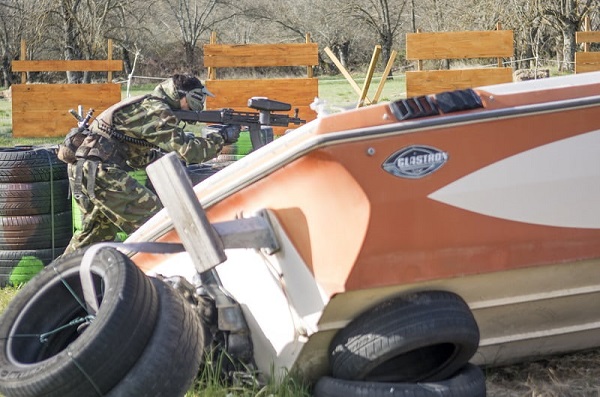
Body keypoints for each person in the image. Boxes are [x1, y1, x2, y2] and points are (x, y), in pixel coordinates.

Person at [59, 74, 240, 255]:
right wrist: (221, 138)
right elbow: (190, 151)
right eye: (197, 98)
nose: (199, 105)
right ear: (180, 95)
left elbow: (135, 157)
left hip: (87, 170)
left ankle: (54, 280)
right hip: (98, 171)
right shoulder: (156, 110)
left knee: (93, 237)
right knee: (158, 224)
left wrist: (166, 155)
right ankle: (157, 274)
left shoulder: (148, 105)